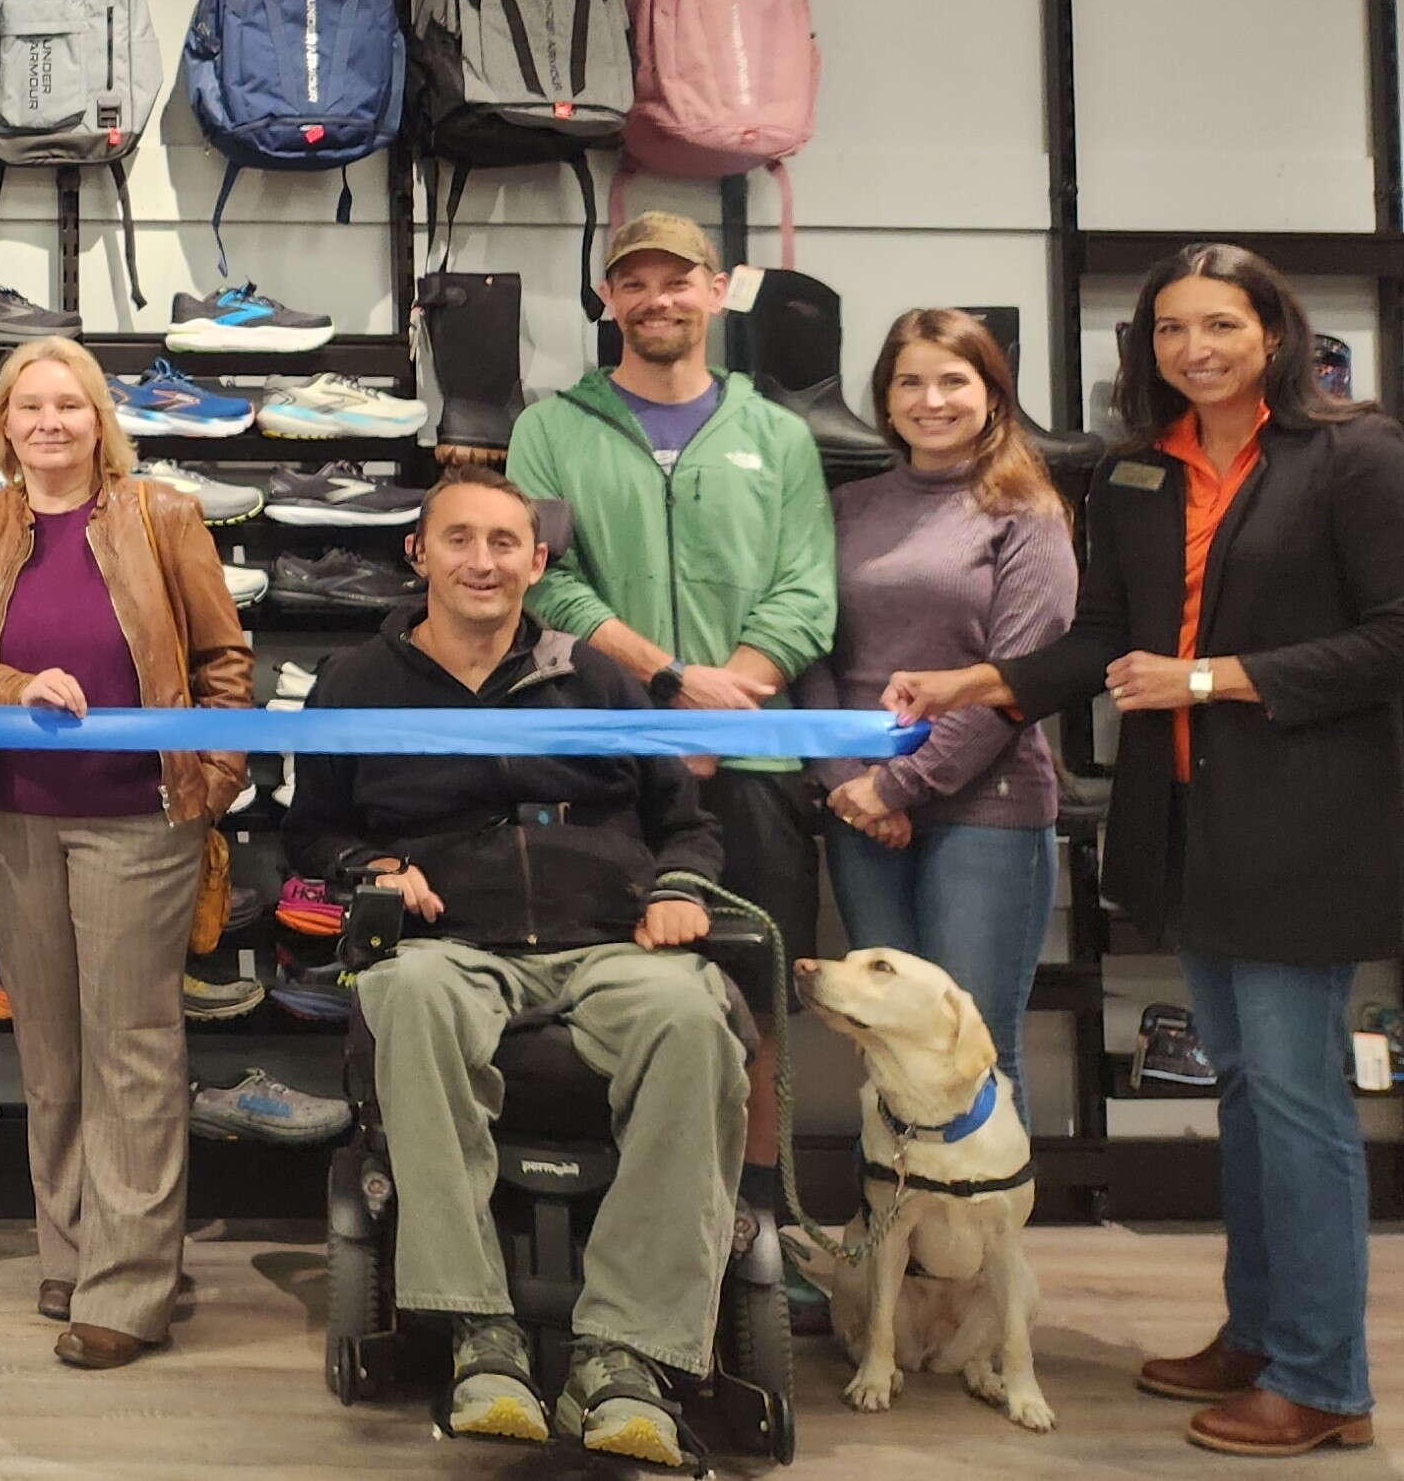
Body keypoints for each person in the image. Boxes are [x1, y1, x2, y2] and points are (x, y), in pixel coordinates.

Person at [887, 243, 1404, 1458]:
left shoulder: (1356, 458)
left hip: (1307, 827)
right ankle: (1259, 1334)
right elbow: (1107, 635)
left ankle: (1324, 1377)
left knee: (1296, 1098)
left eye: (1219, 324)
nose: (1194, 349)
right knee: (1244, 1092)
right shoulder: (1130, 470)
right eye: (1170, 329)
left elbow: (1393, 638)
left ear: (1272, 332)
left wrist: (1213, 679)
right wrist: (977, 679)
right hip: (1184, 824)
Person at [288, 466, 741, 1471]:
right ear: (419, 553)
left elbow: (687, 824)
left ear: (536, 561)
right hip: (450, 942)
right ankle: (476, 1329)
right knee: (401, 991)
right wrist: (371, 866)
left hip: (610, 937)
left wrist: (676, 886)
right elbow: (312, 832)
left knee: (693, 1019)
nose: (481, 560)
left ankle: (628, 1351)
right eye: (458, 539)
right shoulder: (355, 680)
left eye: (503, 541)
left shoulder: (599, 677)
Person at [0, 335, 248, 1370]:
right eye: (29, 405)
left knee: (131, 1042)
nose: (49, 421)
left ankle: (129, 1285)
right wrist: (15, 687)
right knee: (50, 1047)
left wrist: (211, 777)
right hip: (6, 810)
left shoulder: (161, 514)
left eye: (70, 404)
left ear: (101, 419)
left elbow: (223, 655)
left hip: (142, 816)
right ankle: (76, 1248)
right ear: (1, 422)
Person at [503, 210, 832, 1277]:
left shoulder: (776, 433)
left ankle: (753, 1226)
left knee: (757, 998)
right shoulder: (549, 427)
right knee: (616, 987)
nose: (655, 299)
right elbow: (543, 579)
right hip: (605, 758)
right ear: (606, 300)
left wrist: (728, 692)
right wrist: (664, 686)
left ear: (715, 288)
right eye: (631, 282)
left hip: (759, 760)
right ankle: (621, 1233)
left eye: (676, 279)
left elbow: (804, 587)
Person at [810, 310, 1073, 1119]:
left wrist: (902, 785)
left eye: (953, 380)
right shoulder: (846, 506)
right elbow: (811, 647)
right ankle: (895, 1242)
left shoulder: (1029, 512)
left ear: (993, 394)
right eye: (909, 381)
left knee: (975, 1039)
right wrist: (849, 783)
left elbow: (1017, 678)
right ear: (885, 400)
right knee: (885, 1039)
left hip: (985, 811)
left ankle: (985, 1247)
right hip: (858, 808)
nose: (931, 400)